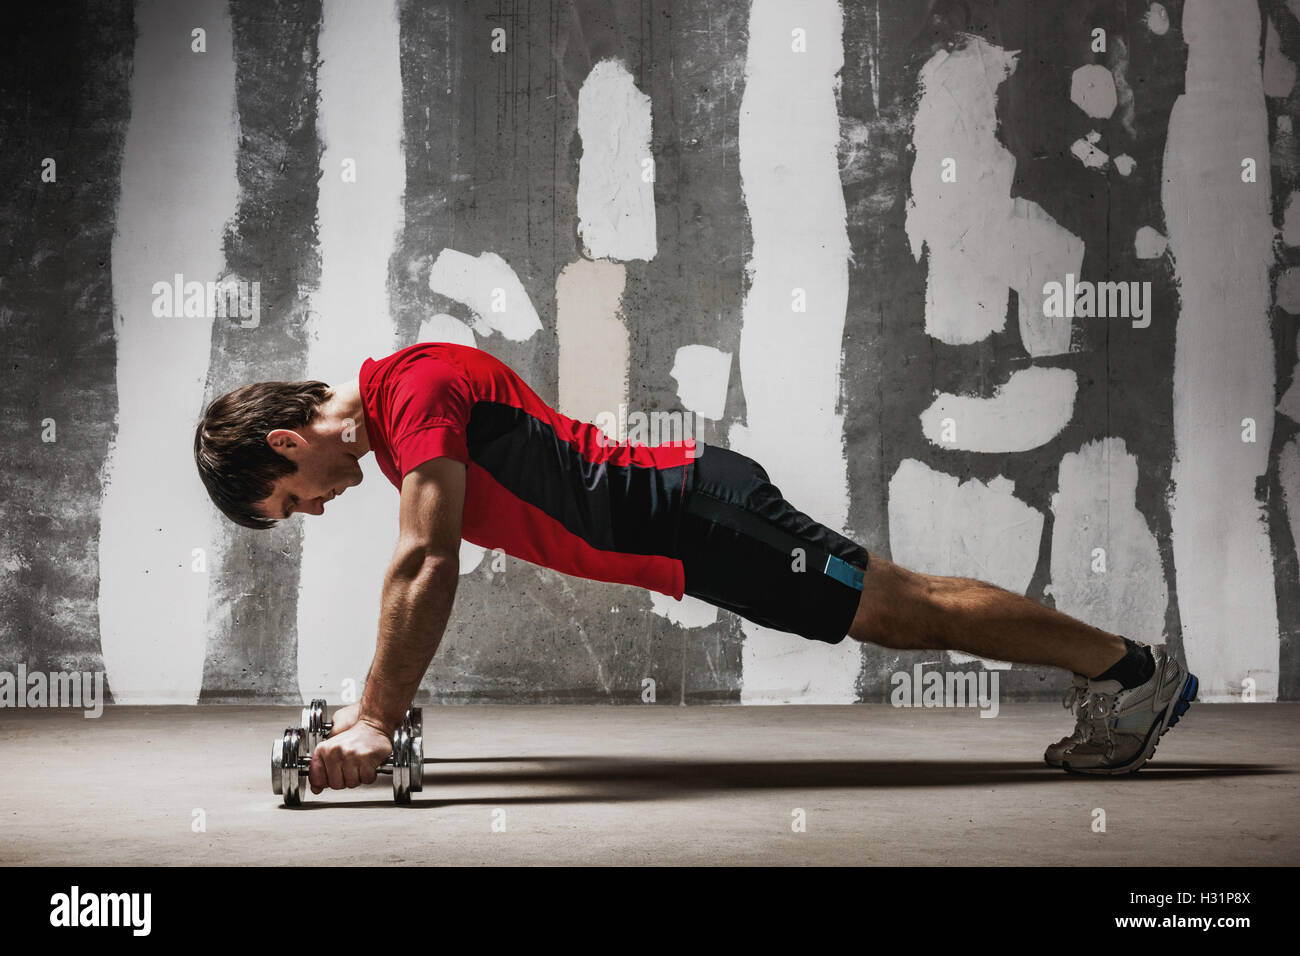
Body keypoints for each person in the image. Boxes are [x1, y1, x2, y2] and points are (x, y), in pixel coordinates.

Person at [194, 342, 1197, 793]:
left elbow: (427, 556)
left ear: (287, 442)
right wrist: (377, 704)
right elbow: (423, 554)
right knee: (900, 608)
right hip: (691, 533)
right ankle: (1125, 671)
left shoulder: (409, 394)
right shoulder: (407, 408)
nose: (317, 508)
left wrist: (375, 715)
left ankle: (1132, 672)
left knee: (905, 607)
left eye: (294, 498)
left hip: (701, 516)